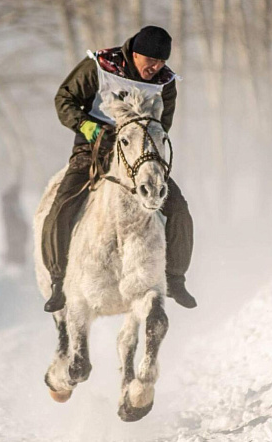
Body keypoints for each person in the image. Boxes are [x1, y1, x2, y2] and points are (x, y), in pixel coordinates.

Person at [42, 25, 196, 312]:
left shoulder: (165, 82)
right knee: (62, 204)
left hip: (137, 152)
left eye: (162, 62)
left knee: (179, 209)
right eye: (151, 61)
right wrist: (84, 123)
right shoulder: (100, 66)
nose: (156, 67)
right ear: (135, 53)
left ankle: (175, 278)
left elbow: (164, 125)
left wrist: (143, 146)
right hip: (93, 146)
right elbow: (64, 98)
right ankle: (58, 278)